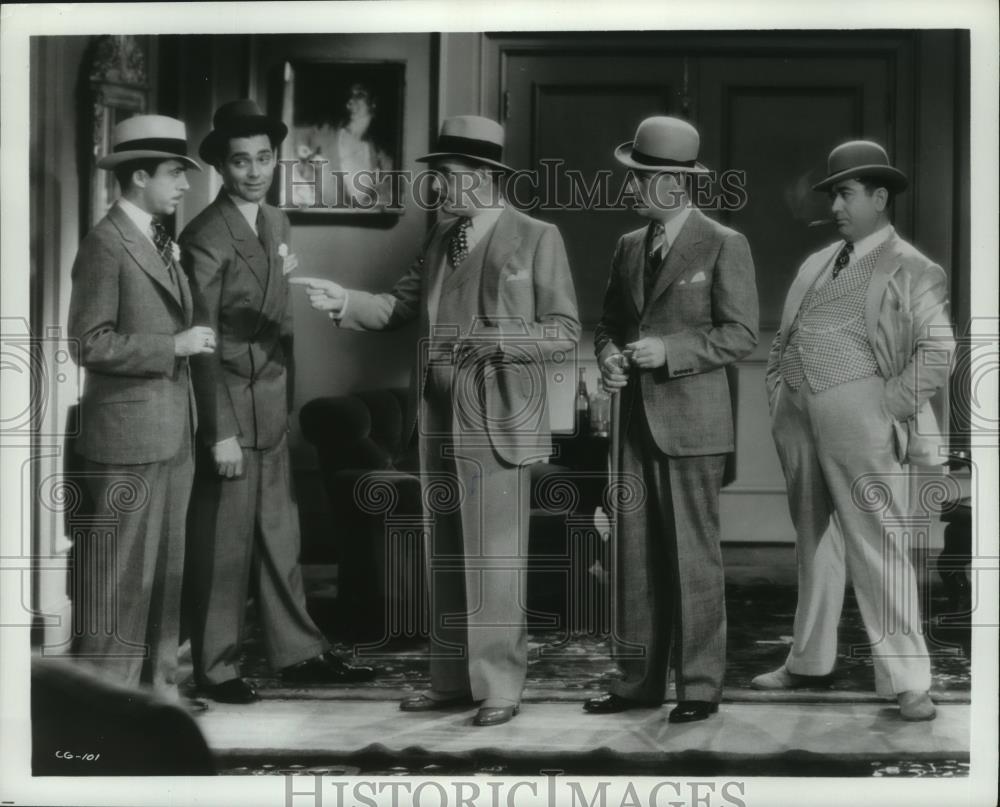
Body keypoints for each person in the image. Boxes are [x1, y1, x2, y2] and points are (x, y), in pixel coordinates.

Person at [291, 115, 580, 726]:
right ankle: (451, 681)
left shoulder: (535, 236)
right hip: (439, 417)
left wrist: (499, 339)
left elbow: (563, 332)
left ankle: (500, 687)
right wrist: (342, 300)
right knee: (444, 555)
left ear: (481, 177)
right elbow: (397, 306)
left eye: (447, 178)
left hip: (499, 418)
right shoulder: (438, 237)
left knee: (495, 561)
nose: (439, 190)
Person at [180, 99, 374, 705]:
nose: (255, 171)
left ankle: (300, 653)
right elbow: (203, 345)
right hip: (231, 411)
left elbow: (279, 322)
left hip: (269, 404)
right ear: (220, 166)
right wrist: (218, 431)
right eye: (241, 161)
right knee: (225, 547)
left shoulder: (276, 222)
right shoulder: (204, 237)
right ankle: (216, 667)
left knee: (282, 539)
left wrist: (285, 398)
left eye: (264, 158)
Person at [752, 140, 954, 722]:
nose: (836, 205)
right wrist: (778, 394)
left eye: (844, 193)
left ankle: (909, 681)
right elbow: (786, 338)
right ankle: (808, 659)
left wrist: (886, 405)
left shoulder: (913, 267)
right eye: (834, 194)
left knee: (877, 543)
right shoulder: (817, 262)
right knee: (813, 542)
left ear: (879, 197)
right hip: (797, 415)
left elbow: (937, 351)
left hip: (861, 414)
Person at [590, 116, 759, 724]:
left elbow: (740, 333)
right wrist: (609, 359)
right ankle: (637, 682)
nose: (629, 189)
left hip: (692, 426)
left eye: (639, 178)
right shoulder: (628, 246)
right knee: (633, 558)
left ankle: (698, 687)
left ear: (674, 183)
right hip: (635, 422)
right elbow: (608, 326)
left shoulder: (722, 243)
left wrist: (671, 352)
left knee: (692, 557)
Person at [67, 114, 210, 709]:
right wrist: (172, 347)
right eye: (176, 173)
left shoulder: (155, 236)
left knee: (164, 574)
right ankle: (103, 704)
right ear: (140, 175)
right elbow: (88, 342)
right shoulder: (106, 243)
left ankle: (156, 695)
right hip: (127, 433)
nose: (184, 185)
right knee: (121, 578)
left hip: (170, 428)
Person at [291, 83, 393, 207]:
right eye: (350, 96)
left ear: (374, 103)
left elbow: (385, 202)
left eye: (359, 95)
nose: (350, 102)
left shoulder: (380, 158)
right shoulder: (327, 134)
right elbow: (294, 135)